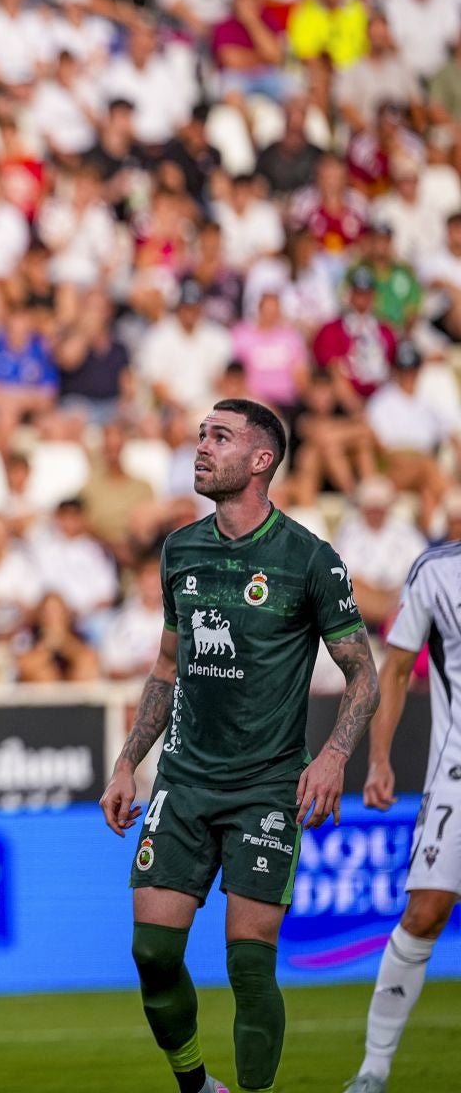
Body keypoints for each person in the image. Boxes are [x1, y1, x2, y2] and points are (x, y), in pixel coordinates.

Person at [98, 399, 380, 1093]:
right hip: (183, 783)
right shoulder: (180, 549)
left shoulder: (309, 558)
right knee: (152, 952)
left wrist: (335, 754)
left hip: (266, 789)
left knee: (249, 965)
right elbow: (167, 669)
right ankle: (197, 1086)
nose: (201, 447)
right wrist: (127, 761)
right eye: (200, 435)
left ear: (261, 460)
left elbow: (362, 672)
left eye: (218, 437)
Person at [345, 537, 461, 1092]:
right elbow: (394, 669)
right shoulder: (436, 570)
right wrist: (380, 758)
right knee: (425, 912)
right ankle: (374, 1068)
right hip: (457, 775)